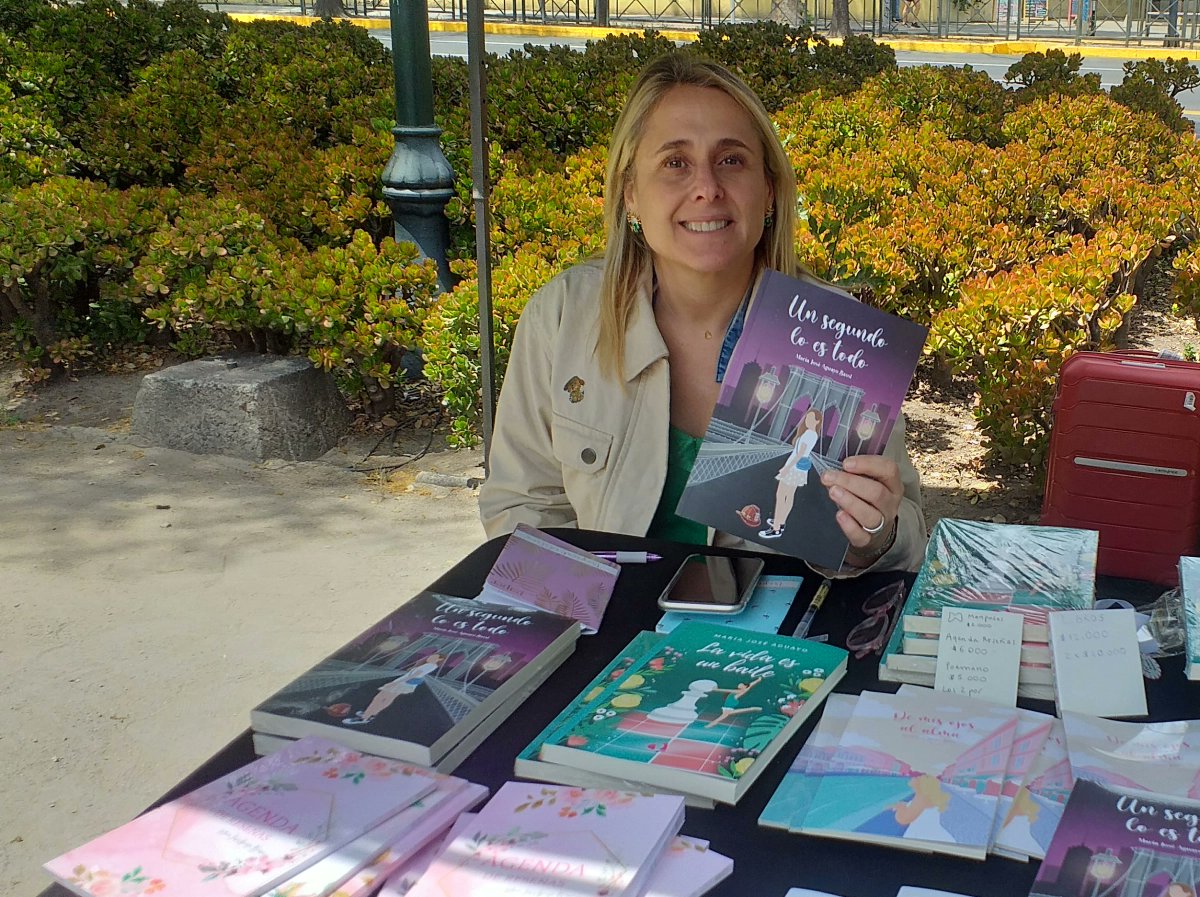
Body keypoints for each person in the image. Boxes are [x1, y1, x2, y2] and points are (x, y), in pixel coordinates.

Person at [478, 52, 927, 575]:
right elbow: (522, 503)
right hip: (604, 628)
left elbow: (905, 543)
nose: (707, 188)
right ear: (630, 196)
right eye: (675, 162)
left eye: (732, 160)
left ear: (770, 191)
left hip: (775, 646)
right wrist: (584, 612)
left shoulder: (836, 334)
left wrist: (873, 537)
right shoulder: (562, 317)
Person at [760, 408, 822, 539]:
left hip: (794, 468)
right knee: (788, 496)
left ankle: (776, 528)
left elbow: (799, 454)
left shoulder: (809, 434)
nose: (808, 420)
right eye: (807, 418)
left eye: (811, 419)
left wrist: (786, 468)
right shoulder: (811, 434)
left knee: (781, 495)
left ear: (817, 421)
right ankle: (780, 522)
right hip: (798, 469)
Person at [342, 652, 446, 726]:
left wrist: (396, 682)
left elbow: (414, 675)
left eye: (435, 656)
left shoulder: (430, 665)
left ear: (439, 659)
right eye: (432, 655)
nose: (431, 657)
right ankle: (372, 713)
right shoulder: (429, 665)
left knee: (380, 698)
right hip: (406, 683)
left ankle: (364, 717)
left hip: (404, 682)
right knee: (386, 698)